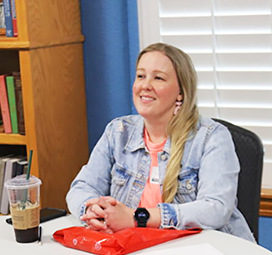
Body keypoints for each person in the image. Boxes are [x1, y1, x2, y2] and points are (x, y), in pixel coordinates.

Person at [66, 43, 255, 241]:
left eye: (158, 78)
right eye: (140, 76)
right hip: (136, 251)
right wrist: (94, 210)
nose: (145, 85)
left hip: (205, 253)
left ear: (180, 92)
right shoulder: (118, 131)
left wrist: (137, 218)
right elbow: (81, 187)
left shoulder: (211, 137)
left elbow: (216, 209)